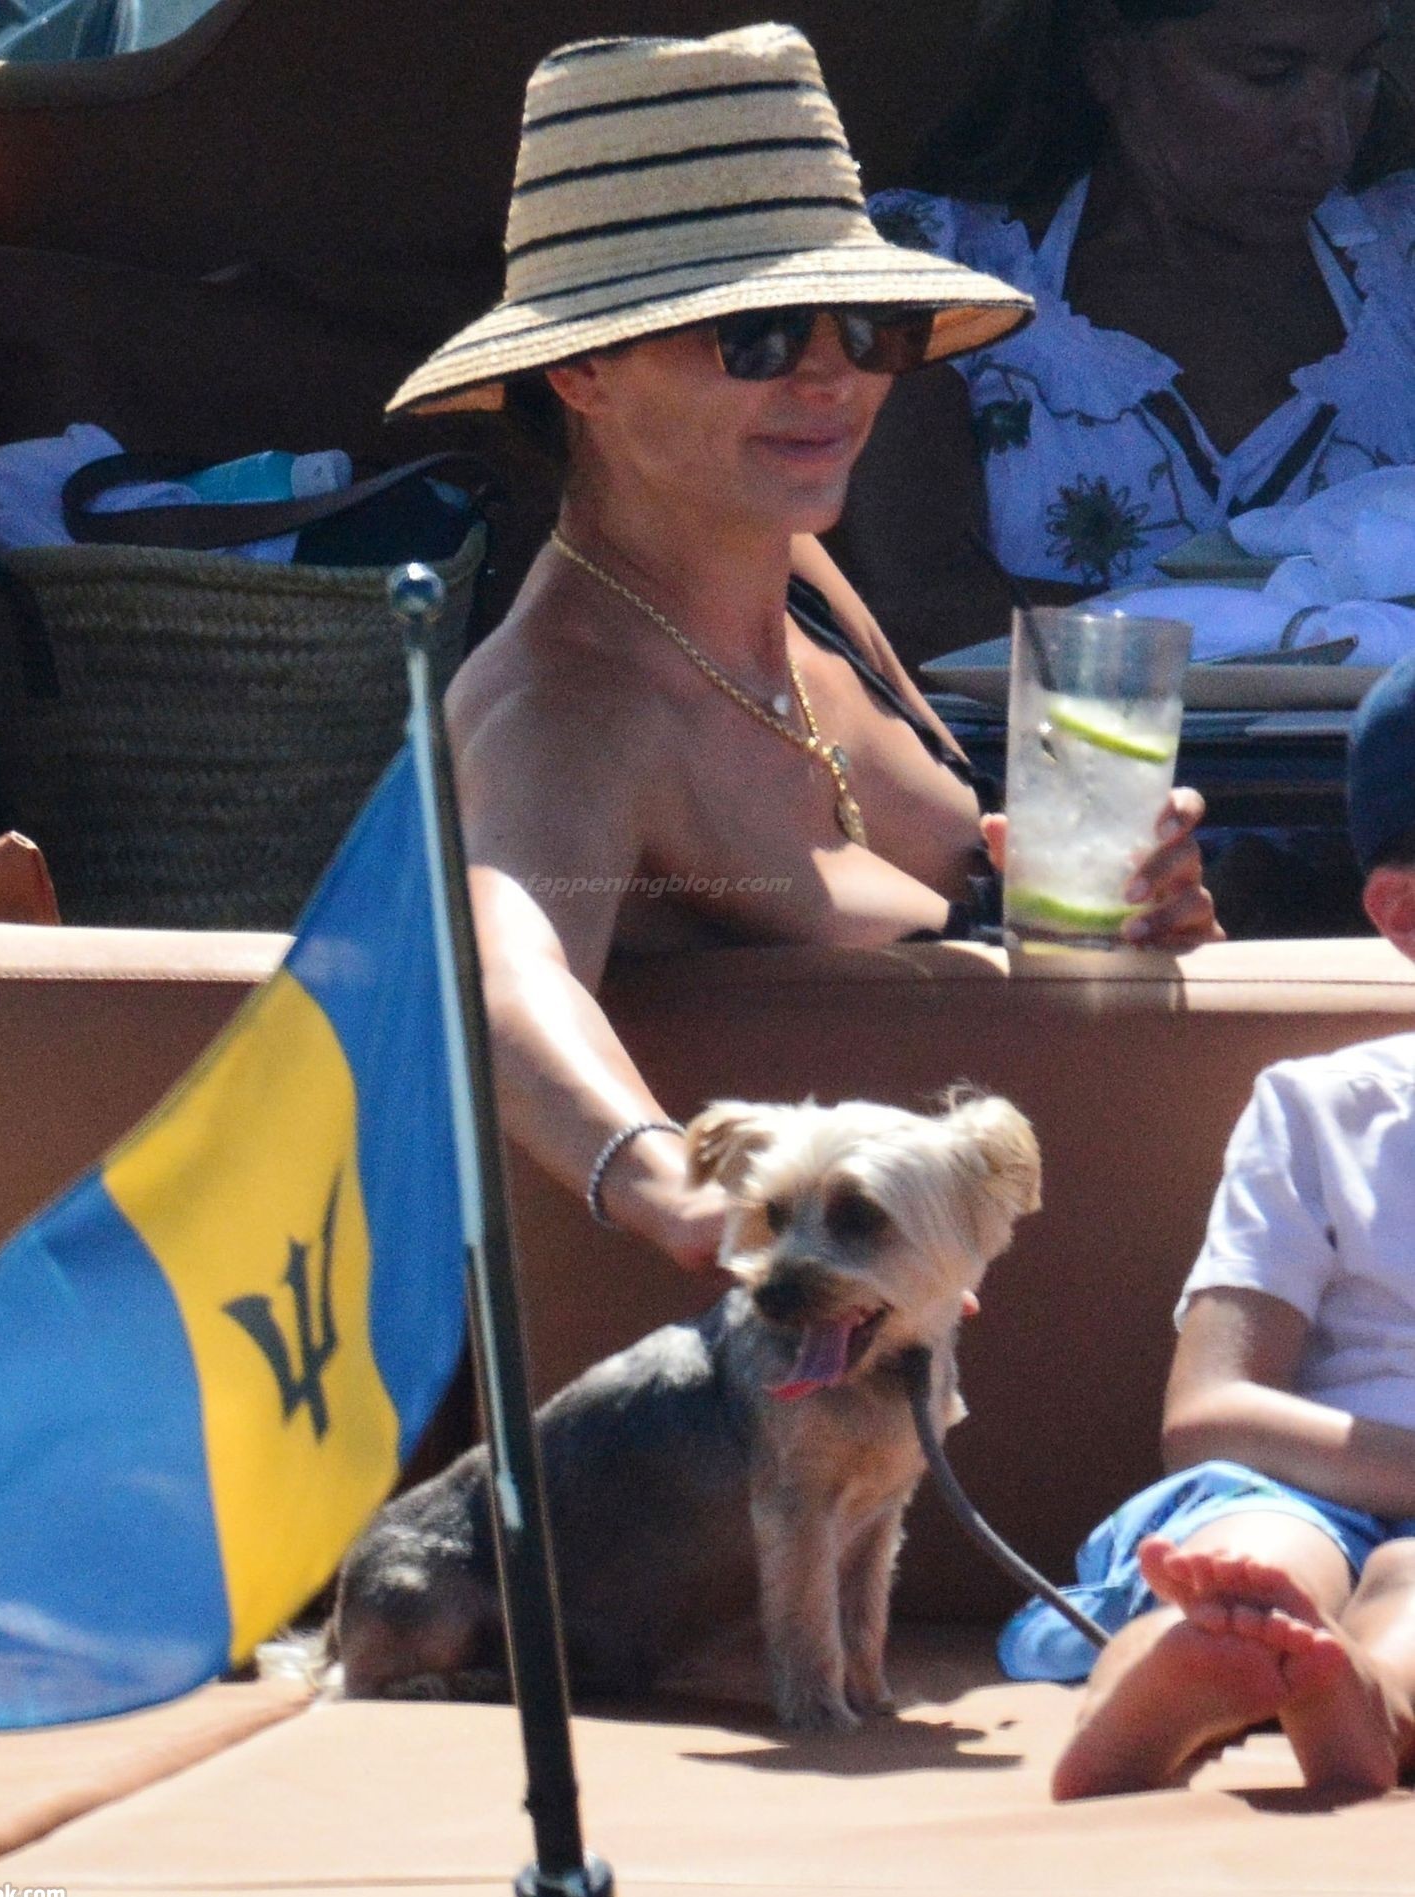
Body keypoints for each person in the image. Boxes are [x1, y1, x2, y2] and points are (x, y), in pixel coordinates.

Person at [384, 24, 1221, 1278]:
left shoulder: (800, 577)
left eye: (866, 326)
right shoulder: (569, 707)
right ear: (584, 372)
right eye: (760, 336)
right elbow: (491, 977)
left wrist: (1152, 922)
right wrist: (688, 1201)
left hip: (1059, 1244)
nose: (831, 376)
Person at [1000, 652, 1415, 1800]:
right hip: (1296, 1487)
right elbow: (1207, 1414)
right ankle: (1168, 1681)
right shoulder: (1322, 1109)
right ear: (1403, 914)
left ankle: (1360, 1701)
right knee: (1250, 1559)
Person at [836, 0, 1415, 663]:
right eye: (1270, 74)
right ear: (1108, 56)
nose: (1330, 137)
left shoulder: (1400, 263)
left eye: (1362, 69)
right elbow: (919, 607)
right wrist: (1276, 633)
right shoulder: (933, 269)